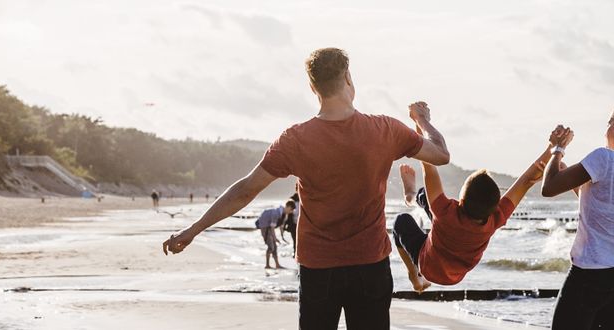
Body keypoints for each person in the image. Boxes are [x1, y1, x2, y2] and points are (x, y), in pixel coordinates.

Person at [160, 47, 451, 329]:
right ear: (348, 78)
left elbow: (245, 191)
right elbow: (440, 154)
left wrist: (193, 230)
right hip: (370, 265)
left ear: (313, 88)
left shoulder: (295, 140)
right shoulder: (385, 130)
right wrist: (422, 120)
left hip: (318, 270)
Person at [540, 101, 614, 329]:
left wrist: (557, 149)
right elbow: (600, 202)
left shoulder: (604, 158)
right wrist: (569, 175)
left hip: (592, 272)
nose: (605, 130)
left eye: (609, 124)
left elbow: (548, 188)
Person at [391, 132, 555, 292]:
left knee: (401, 221)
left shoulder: (444, 212)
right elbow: (526, 181)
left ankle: (414, 274)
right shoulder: (495, 218)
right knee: (428, 199)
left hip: (427, 266)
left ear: (461, 201)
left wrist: (420, 121)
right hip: (456, 274)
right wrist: (554, 150)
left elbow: (428, 165)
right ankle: (414, 196)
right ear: (495, 206)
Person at [255, 201, 290, 269]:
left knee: (275, 247)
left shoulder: (283, 215)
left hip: (269, 228)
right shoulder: (276, 213)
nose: (291, 211)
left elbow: (281, 226)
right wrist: (275, 238)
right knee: (271, 247)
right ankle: (267, 265)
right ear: (287, 207)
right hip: (265, 228)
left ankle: (277, 264)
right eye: (291, 209)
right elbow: (272, 227)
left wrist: (282, 237)